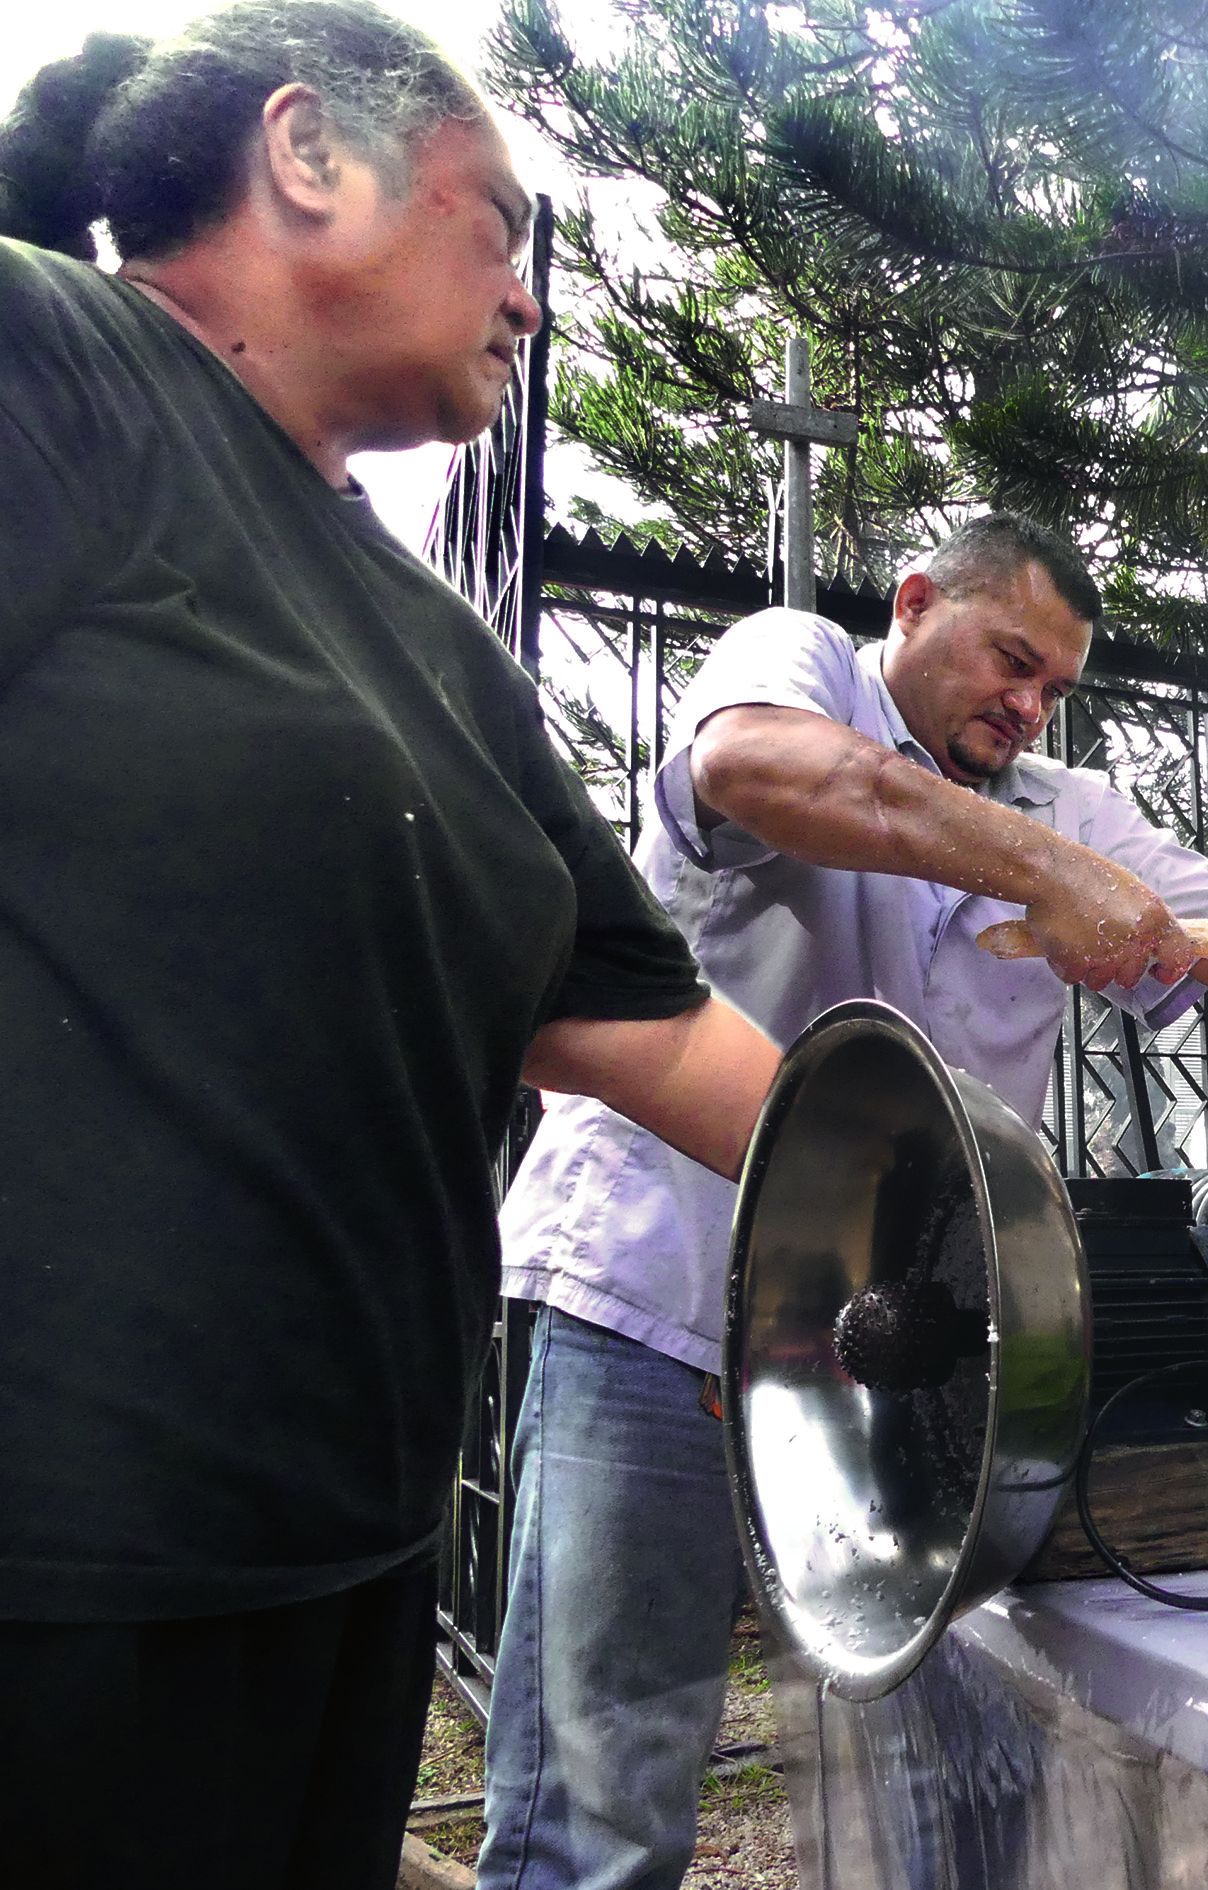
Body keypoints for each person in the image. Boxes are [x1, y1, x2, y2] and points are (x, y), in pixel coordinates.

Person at [0, 10, 807, 1887]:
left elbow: (654, 1030)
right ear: (309, 157)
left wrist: (983, 1209)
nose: (529, 300)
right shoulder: (63, 360)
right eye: (501, 228)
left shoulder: (441, 656)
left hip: (340, 1569)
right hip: (63, 1577)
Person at [479, 511, 1208, 1890]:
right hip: (667, 1302)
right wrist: (1045, 873)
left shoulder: (1073, 808)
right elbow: (761, 768)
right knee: (605, 1783)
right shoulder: (796, 661)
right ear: (917, 602)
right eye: (1010, 658)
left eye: (1055, 685)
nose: (1029, 701)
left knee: (934, 1767)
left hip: (891, 1360)